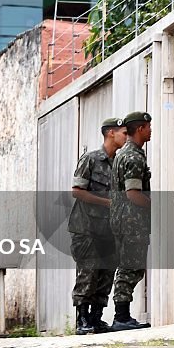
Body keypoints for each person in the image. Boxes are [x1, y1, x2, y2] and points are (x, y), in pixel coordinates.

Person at [69, 117, 127, 334]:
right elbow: (77, 191)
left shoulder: (119, 163)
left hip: (110, 229)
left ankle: (97, 318)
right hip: (87, 228)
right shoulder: (91, 160)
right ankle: (82, 320)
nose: (126, 137)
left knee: (106, 273)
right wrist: (108, 203)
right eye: (123, 132)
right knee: (89, 272)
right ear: (110, 133)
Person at [110, 111, 153, 331]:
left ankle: (122, 316)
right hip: (131, 220)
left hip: (121, 219)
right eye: (148, 126)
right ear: (140, 129)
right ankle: (121, 317)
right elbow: (133, 193)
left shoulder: (122, 154)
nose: (150, 130)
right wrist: (156, 208)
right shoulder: (133, 156)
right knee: (131, 267)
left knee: (129, 266)